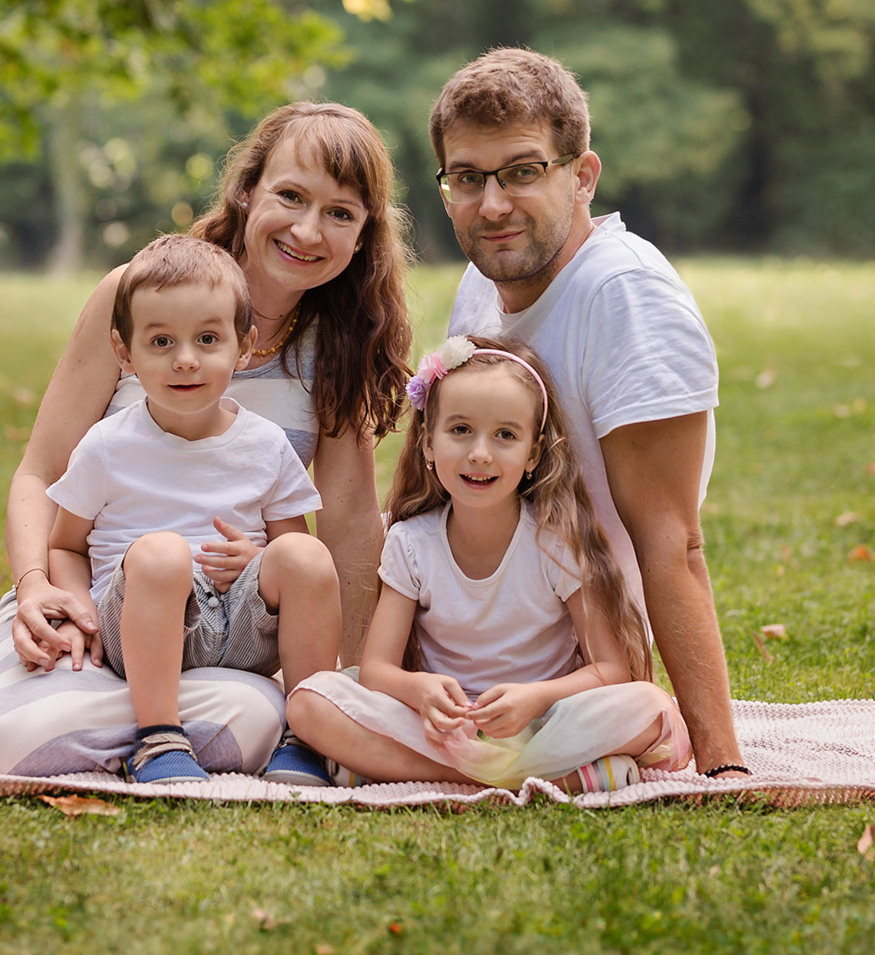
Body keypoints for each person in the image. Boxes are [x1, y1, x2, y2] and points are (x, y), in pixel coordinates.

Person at [0, 103, 412, 777]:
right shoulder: (138, 296)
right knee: (49, 728)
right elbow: (40, 474)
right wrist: (37, 589)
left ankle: (130, 731)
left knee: (259, 717)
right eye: (290, 196)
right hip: (89, 603)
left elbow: (350, 528)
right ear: (246, 190)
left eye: (339, 213)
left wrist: (350, 689)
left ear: (363, 234)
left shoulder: (338, 345)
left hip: (220, 633)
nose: (307, 230)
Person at [428, 48, 749, 779]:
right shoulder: (481, 284)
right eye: (468, 178)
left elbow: (671, 541)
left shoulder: (624, 297)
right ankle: (528, 762)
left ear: (583, 176)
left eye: (522, 171)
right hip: (471, 633)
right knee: (319, 697)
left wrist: (722, 763)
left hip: (578, 659)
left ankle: (567, 746)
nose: (493, 205)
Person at [287, 336, 689, 789]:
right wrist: (419, 690)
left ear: (533, 453)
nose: (480, 453)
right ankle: (550, 778)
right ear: (428, 443)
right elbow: (378, 670)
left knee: (647, 706)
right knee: (310, 701)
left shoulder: (555, 542)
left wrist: (536, 699)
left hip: (545, 722)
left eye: (506, 435)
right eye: (461, 430)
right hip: (444, 727)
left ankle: (425, 769)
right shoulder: (411, 543)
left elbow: (610, 670)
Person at [38, 235, 338, 784]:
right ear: (124, 353)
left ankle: (308, 736)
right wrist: (79, 611)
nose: (185, 359)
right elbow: (64, 545)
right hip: (143, 624)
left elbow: (291, 549)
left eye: (207, 339)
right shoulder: (107, 445)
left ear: (243, 347)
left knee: (308, 556)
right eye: (161, 341)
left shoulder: (266, 444)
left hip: (241, 625)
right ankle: (158, 739)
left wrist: (257, 559)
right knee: (162, 553)